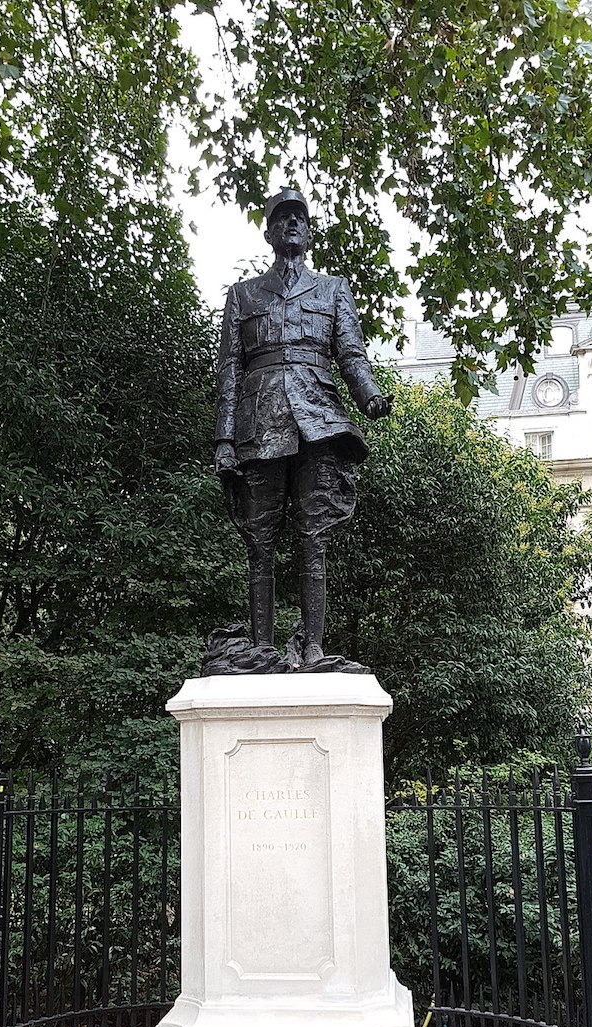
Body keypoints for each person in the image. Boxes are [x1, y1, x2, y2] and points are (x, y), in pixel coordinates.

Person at [215, 187, 391, 668]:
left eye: (299, 218)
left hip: (317, 417)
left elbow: (351, 354)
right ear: (269, 232)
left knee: (314, 535)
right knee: (261, 538)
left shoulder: (333, 290)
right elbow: (230, 368)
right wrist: (224, 438)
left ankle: (312, 645)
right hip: (259, 421)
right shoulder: (243, 295)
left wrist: (369, 394)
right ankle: (262, 646)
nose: (291, 224)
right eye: (282, 218)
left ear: (309, 233)